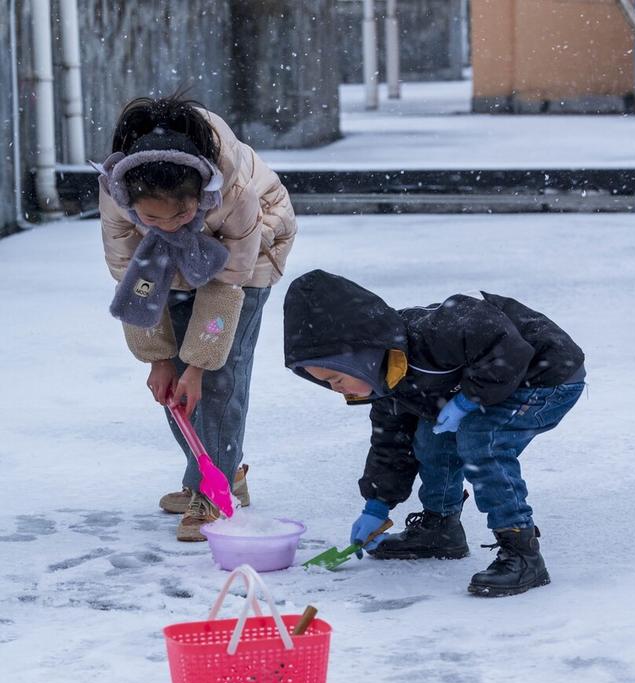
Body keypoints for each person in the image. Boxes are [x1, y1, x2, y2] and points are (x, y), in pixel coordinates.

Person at [283, 269, 586, 597]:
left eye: (336, 378)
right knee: (430, 439)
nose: (335, 390)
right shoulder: (386, 383)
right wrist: (376, 506)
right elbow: (391, 444)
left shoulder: (436, 331)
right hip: (483, 385)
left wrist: (469, 400)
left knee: (481, 439)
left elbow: (506, 346)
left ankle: (522, 552)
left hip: (546, 375)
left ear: (360, 357)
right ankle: (441, 528)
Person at [94, 95, 296, 540]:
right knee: (174, 383)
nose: (166, 224)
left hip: (248, 254)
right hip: (159, 264)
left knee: (218, 373)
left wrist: (201, 364)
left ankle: (215, 488)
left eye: (181, 213)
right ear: (131, 200)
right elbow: (134, 281)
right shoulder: (117, 192)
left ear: (201, 195)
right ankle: (212, 475)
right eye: (151, 217)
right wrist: (158, 358)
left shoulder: (235, 191)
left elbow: (226, 285)